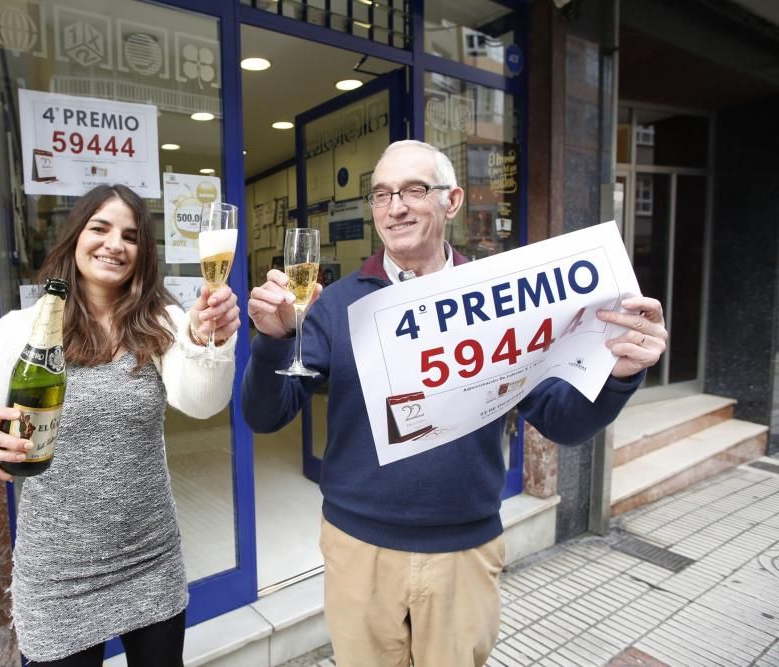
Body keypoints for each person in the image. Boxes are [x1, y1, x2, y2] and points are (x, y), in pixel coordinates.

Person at [241, 140, 667, 667]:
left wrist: (620, 374)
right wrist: (274, 342)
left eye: (414, 190)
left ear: (454, 201)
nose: (394, 207)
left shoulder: (499, 302)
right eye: (381, 195)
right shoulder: (338, 303)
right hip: (358, 549)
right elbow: (265, 415)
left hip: (464, 551)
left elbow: (564, 422)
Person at [0, 184, 240, 666]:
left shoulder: (161, 319)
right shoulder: (20, 330)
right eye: (101, 228)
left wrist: (206, 340)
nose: (115, 243)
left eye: (131, 236)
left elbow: (201, 403)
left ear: (143, 254)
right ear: (75, 238)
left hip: (149, 557)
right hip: (58, 576)